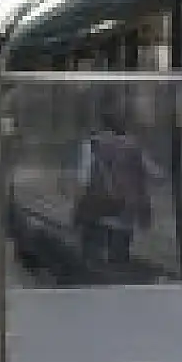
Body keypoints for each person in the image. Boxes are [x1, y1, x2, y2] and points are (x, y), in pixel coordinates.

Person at [73, 109, 152, 276]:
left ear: (101, 126)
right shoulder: (134, 146)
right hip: (125, 214)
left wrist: (77, 209)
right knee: (120, 263)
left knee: (93, 264)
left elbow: (83, 180)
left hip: (98, 212)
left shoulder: (92, 145)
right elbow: (148, 175)